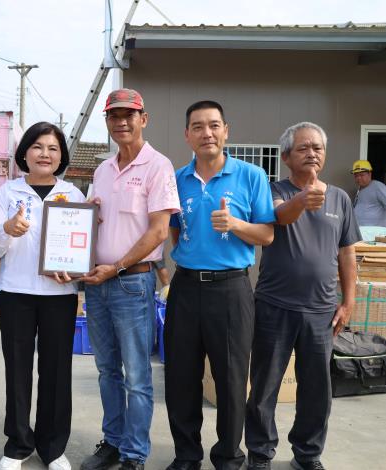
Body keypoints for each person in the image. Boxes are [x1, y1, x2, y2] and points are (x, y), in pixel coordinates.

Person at [164, 101, 275, 470]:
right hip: (185, 287)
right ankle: (186, 455)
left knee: (230, 380)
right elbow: (173, 231)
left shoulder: (251, 176)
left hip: (231, 290)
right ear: (187, 135)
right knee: (181, 377)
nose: (206, 133)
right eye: (198, 126)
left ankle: (229, 456)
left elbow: (268, 234)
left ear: (226, 130)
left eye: (213, 125)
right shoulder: (177, 179)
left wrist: (236, 225)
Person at [245, 123, 360, 470]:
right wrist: (301, 199)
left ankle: (308, 455)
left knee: (316, 390)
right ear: (286, 157)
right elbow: (279, 216)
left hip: (321, 312)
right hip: (274, 306)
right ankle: (260, 454)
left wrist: (349, 301)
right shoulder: (273, 190)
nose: (312, 153)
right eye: (303, 148)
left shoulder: (340, 198)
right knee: (265, 386)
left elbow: (347, 253)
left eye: (318, 148)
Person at [79, 88, 180, 470]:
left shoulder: (158, 166)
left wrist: (117, 266)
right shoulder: (103, 169)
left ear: (143, 119)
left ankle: (134, 454)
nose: (121, 122)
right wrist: (90, 217)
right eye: (113, 115)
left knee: (137, 375)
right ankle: (113, 440)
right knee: (107, 370)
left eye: (128, 115)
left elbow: (158, 232)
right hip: (97, 283)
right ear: (107, 121)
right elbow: (92, 223)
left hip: (132, 282)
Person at [0, 122, 84, 470]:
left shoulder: (73, 195)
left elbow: (83, 249)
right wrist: (8, 230)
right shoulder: (8, 192)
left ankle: (53, 447)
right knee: (18, 369)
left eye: (53, 148)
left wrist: (76, 271)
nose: (45, 154)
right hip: (16, 293)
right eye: (38, 147)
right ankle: (18, 444)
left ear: (62, 156)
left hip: (60, 294)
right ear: (25, 152)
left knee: (57, 370)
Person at [351, 159, 386, 227]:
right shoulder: (360, 189)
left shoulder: (378, 187)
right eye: (356, 175)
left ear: (369, 174)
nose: (358, 178)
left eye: (361, 175)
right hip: (362, 231)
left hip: (375, 232)